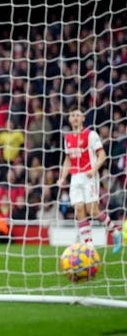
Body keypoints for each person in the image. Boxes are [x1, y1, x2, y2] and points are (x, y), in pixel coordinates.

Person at [56, 105, 123, 254]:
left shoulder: (91, 135)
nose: (75, 117)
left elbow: (102, 155)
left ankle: (116, 233)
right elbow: (68, 160)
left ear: (83, 118)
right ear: (69, 118)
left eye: (78, 115)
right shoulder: (68, 139)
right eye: (72, 115)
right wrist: (62, 178)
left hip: (89, 176)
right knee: (79, 209)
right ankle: (90, 246)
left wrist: (94, 169)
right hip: (75, 177)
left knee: (92, 211)